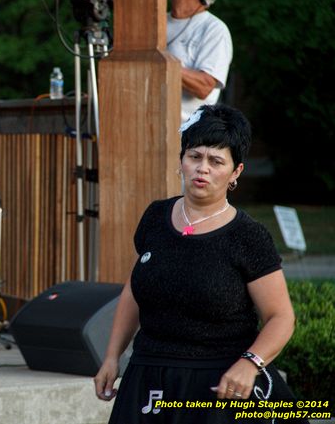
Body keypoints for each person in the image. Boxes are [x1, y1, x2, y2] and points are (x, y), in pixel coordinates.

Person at [94, 105, 308, 424]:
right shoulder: (155, 217)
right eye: (195, 157)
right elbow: (135, 291)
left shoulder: (248, 236)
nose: (202, 169)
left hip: (220, 384)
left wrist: (251, 363)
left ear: (235, 172)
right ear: (181, 161)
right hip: (148, 376)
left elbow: (281, 317)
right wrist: (112, 356)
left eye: (216, 161)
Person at [167, 0, 232, 122]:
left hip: (186, 134)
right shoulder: (153, 25)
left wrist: (163, 66)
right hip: (144, 126)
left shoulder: (215, 29)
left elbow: (204, 87)